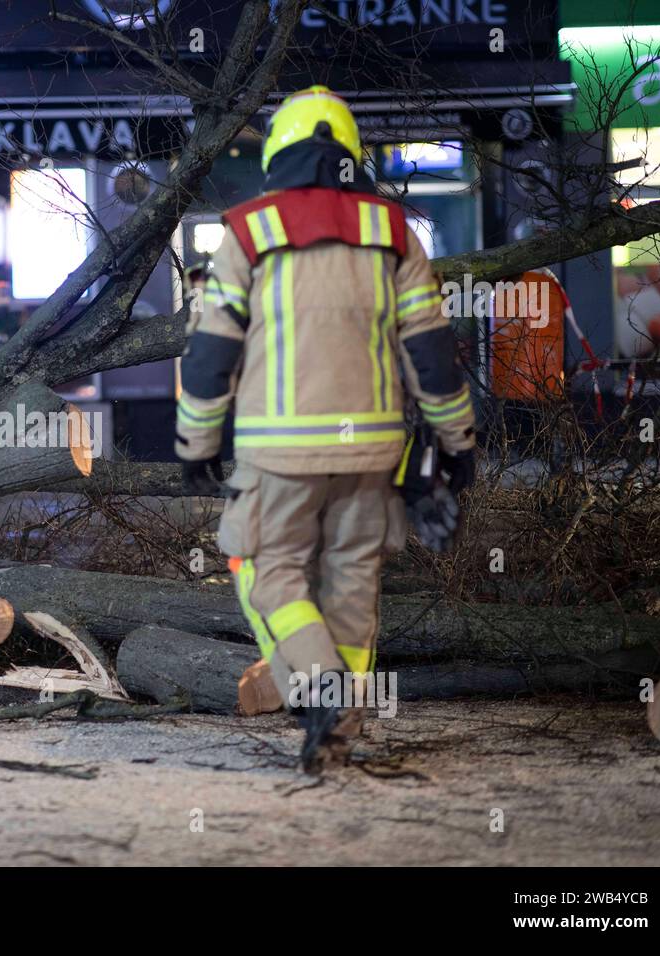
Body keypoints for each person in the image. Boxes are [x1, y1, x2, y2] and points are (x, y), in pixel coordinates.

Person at [176, 86, 476, 771]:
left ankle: (321, 690)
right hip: (373, 451)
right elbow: (431, 353)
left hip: (275, 452)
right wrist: (458, 442)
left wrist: (196, 441)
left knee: (265, 572)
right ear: (350, 152)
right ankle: (338, 735)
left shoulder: (249, 231)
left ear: (278, 151)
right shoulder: (394, 231)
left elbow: (211, 351)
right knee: (352, 581)